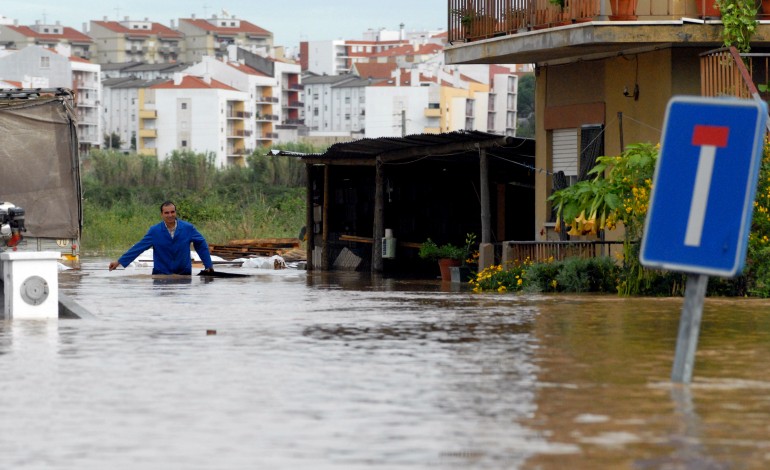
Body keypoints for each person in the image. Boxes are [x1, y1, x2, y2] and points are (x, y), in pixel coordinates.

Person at [108, 201, 214, 275]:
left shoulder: (187, 228)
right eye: (166, 213)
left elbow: (201, 244)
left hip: (184, 274)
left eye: (172, 212)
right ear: (162, 214)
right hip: (161, 274)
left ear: (176, 213)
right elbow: (139, 247)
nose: (170, 215)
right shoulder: (155, 231)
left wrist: (208, 265)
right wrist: (119, 262)